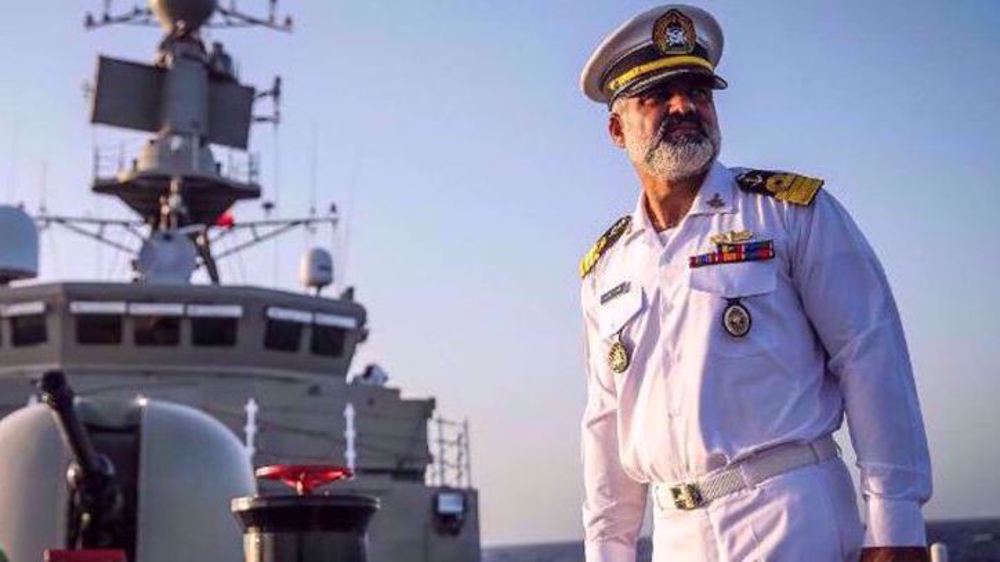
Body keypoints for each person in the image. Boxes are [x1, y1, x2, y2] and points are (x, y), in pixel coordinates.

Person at [577, 5, 931, 562]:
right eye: (659, 94)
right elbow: (604, 423)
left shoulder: (788, 213)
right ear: (617, 129)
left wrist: (895, 526)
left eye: (698, 91)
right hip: (676, 535)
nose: (684, 106)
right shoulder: (608, 268)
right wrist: (607, 550)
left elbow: (870, 355)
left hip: (791, 516)